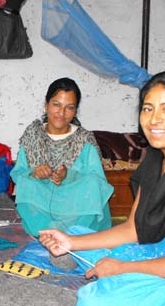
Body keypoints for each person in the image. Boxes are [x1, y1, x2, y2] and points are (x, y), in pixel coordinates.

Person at [40, 70, 165, 306]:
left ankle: (121, 283)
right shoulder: (155, 160)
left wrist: (122, 268)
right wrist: (71, 242)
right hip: (159, 251)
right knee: (77, 232)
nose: (155, 120)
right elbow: (133, 229)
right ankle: (111, 273)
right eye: (148, 109)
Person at [10, 77, 113, 237]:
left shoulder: (84, 140)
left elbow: (97, 180)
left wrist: (69, 176)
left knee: (92, 184)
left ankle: (70, 234)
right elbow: (18, 174)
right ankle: (46, 230)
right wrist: (35, 173)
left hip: (76, 211)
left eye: (69, 107)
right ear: (46, 105)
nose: (61, 113)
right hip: (41, 207)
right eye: (56, 104)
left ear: (75, 110)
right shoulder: (32, 136)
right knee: (26, 183)